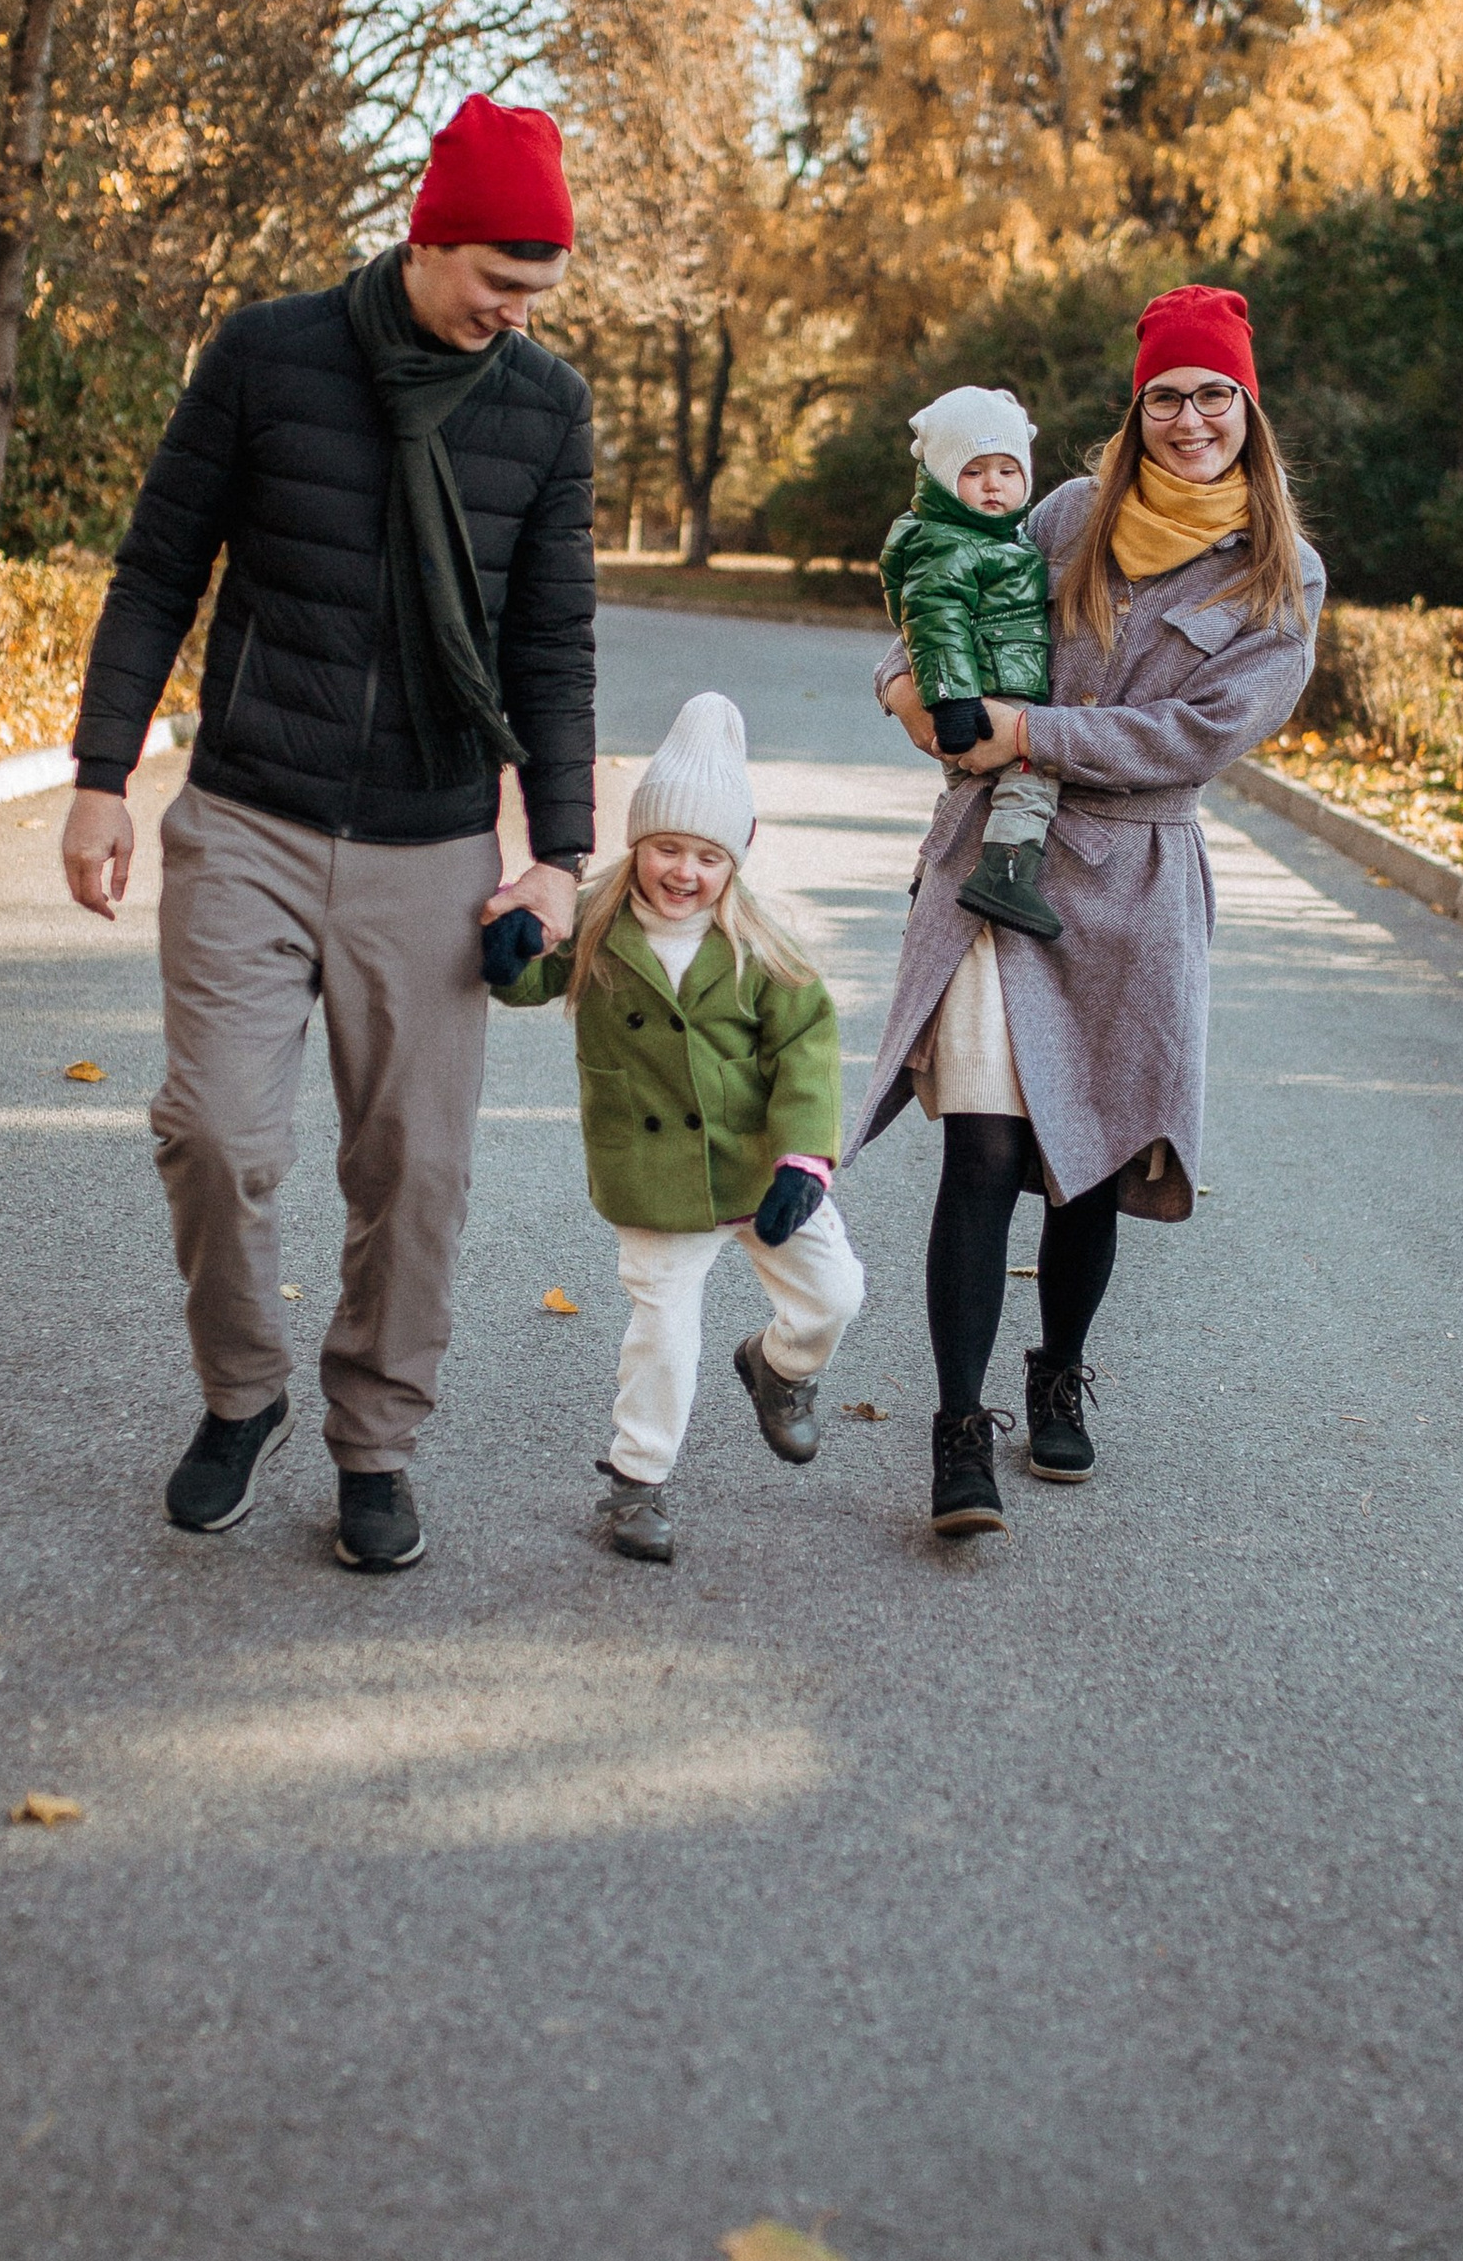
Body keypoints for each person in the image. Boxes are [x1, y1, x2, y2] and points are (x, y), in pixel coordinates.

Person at [60, 91, 597, 1573]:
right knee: (217, 1133)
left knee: (414, 1165)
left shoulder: (544, 411)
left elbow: (552, 643)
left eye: (537, 294)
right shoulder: (269, 356)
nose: (514, 316)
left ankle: (376, 1439)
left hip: (433, 842)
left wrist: (559, 852)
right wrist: (106, 769)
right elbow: (159, 564)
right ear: (431, 237)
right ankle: (242, 1398)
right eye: (498, 282)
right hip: (246, 816)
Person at [850, 283, 1323, 1540]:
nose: (1188, 419)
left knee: (1090, 1164)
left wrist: (1028, 731)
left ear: (1247, 408)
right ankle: (959, 1434)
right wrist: (903, 686)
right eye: (1165, 394)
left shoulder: (1279, 576)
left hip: (1136, 886)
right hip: (1000, 872)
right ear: (1137, 406)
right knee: (986, 1148)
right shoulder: (1067, 514)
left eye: (1211, 394)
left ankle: (1057, 1366)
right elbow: (939, 579)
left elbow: (1194, 737)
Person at [492, 692, 862, 1567]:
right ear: (637, 843)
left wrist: (804, 1158)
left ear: (734, 859)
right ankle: (637, 1480)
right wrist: (508, 958)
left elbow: (809, 1048)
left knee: (835, 1293)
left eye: (706, 854)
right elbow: (529, 981)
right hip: (654, 1172)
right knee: (664, 1333)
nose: (683, 870)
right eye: (666, 846)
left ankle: (779, 1367)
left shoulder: (762, 945)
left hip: (758, 1166)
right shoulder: (593, 919)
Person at [879, 386, 1064, 943]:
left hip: (989, 682)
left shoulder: (999, 538)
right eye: (974, 471)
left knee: (965, 791)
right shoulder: (952, 544)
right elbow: (935, 623)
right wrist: (954, 700)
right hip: (986, 690)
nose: (993, 484)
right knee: (1035, 775)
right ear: (939, 479)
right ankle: (1005, 873)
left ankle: (928, 877)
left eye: (1008, 470)